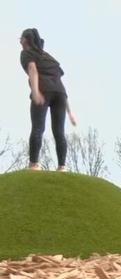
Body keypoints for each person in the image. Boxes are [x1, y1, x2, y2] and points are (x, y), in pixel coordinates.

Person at [20, 28, 76, 172]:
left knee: (38, 128)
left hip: (44, 91)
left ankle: (34, 165)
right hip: (60, 95)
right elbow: (60, 83)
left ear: (26, 40)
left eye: (20, 38)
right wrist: (70, 112)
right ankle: (62, 167)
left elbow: (32, 69)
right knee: (59, 132)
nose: (19, 41)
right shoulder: (50, 58)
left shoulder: (26, 53)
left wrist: (36, 91)